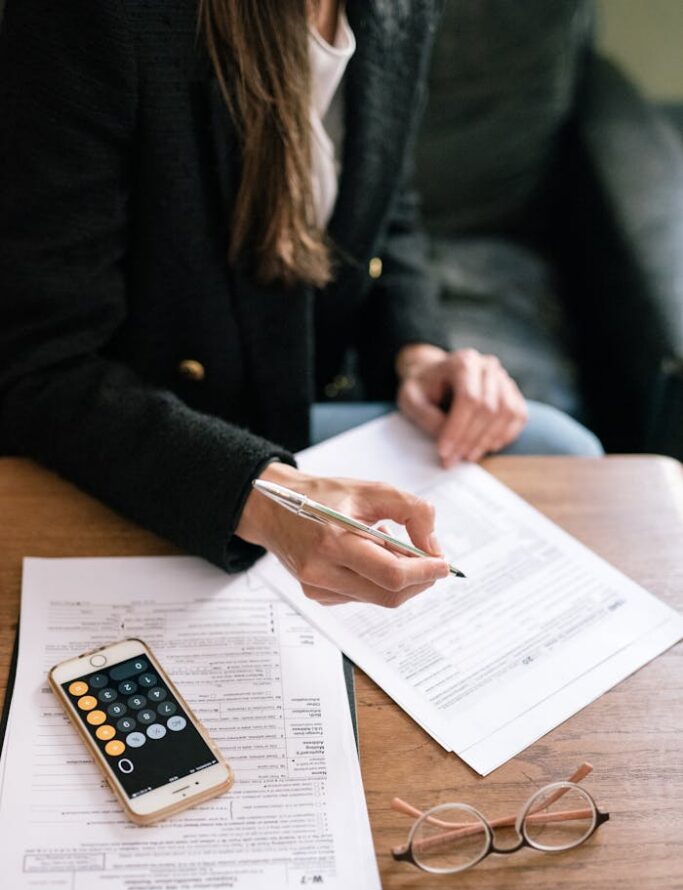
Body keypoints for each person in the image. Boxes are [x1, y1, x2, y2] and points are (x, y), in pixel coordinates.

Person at [0, 0, 601, 610]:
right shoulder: (95, 21)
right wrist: (267, 497)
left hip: (297, 403)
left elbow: (387, 206)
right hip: (156, 441)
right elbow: (40, 367)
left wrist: (417, 350)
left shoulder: (401, 9)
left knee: (563, 449)